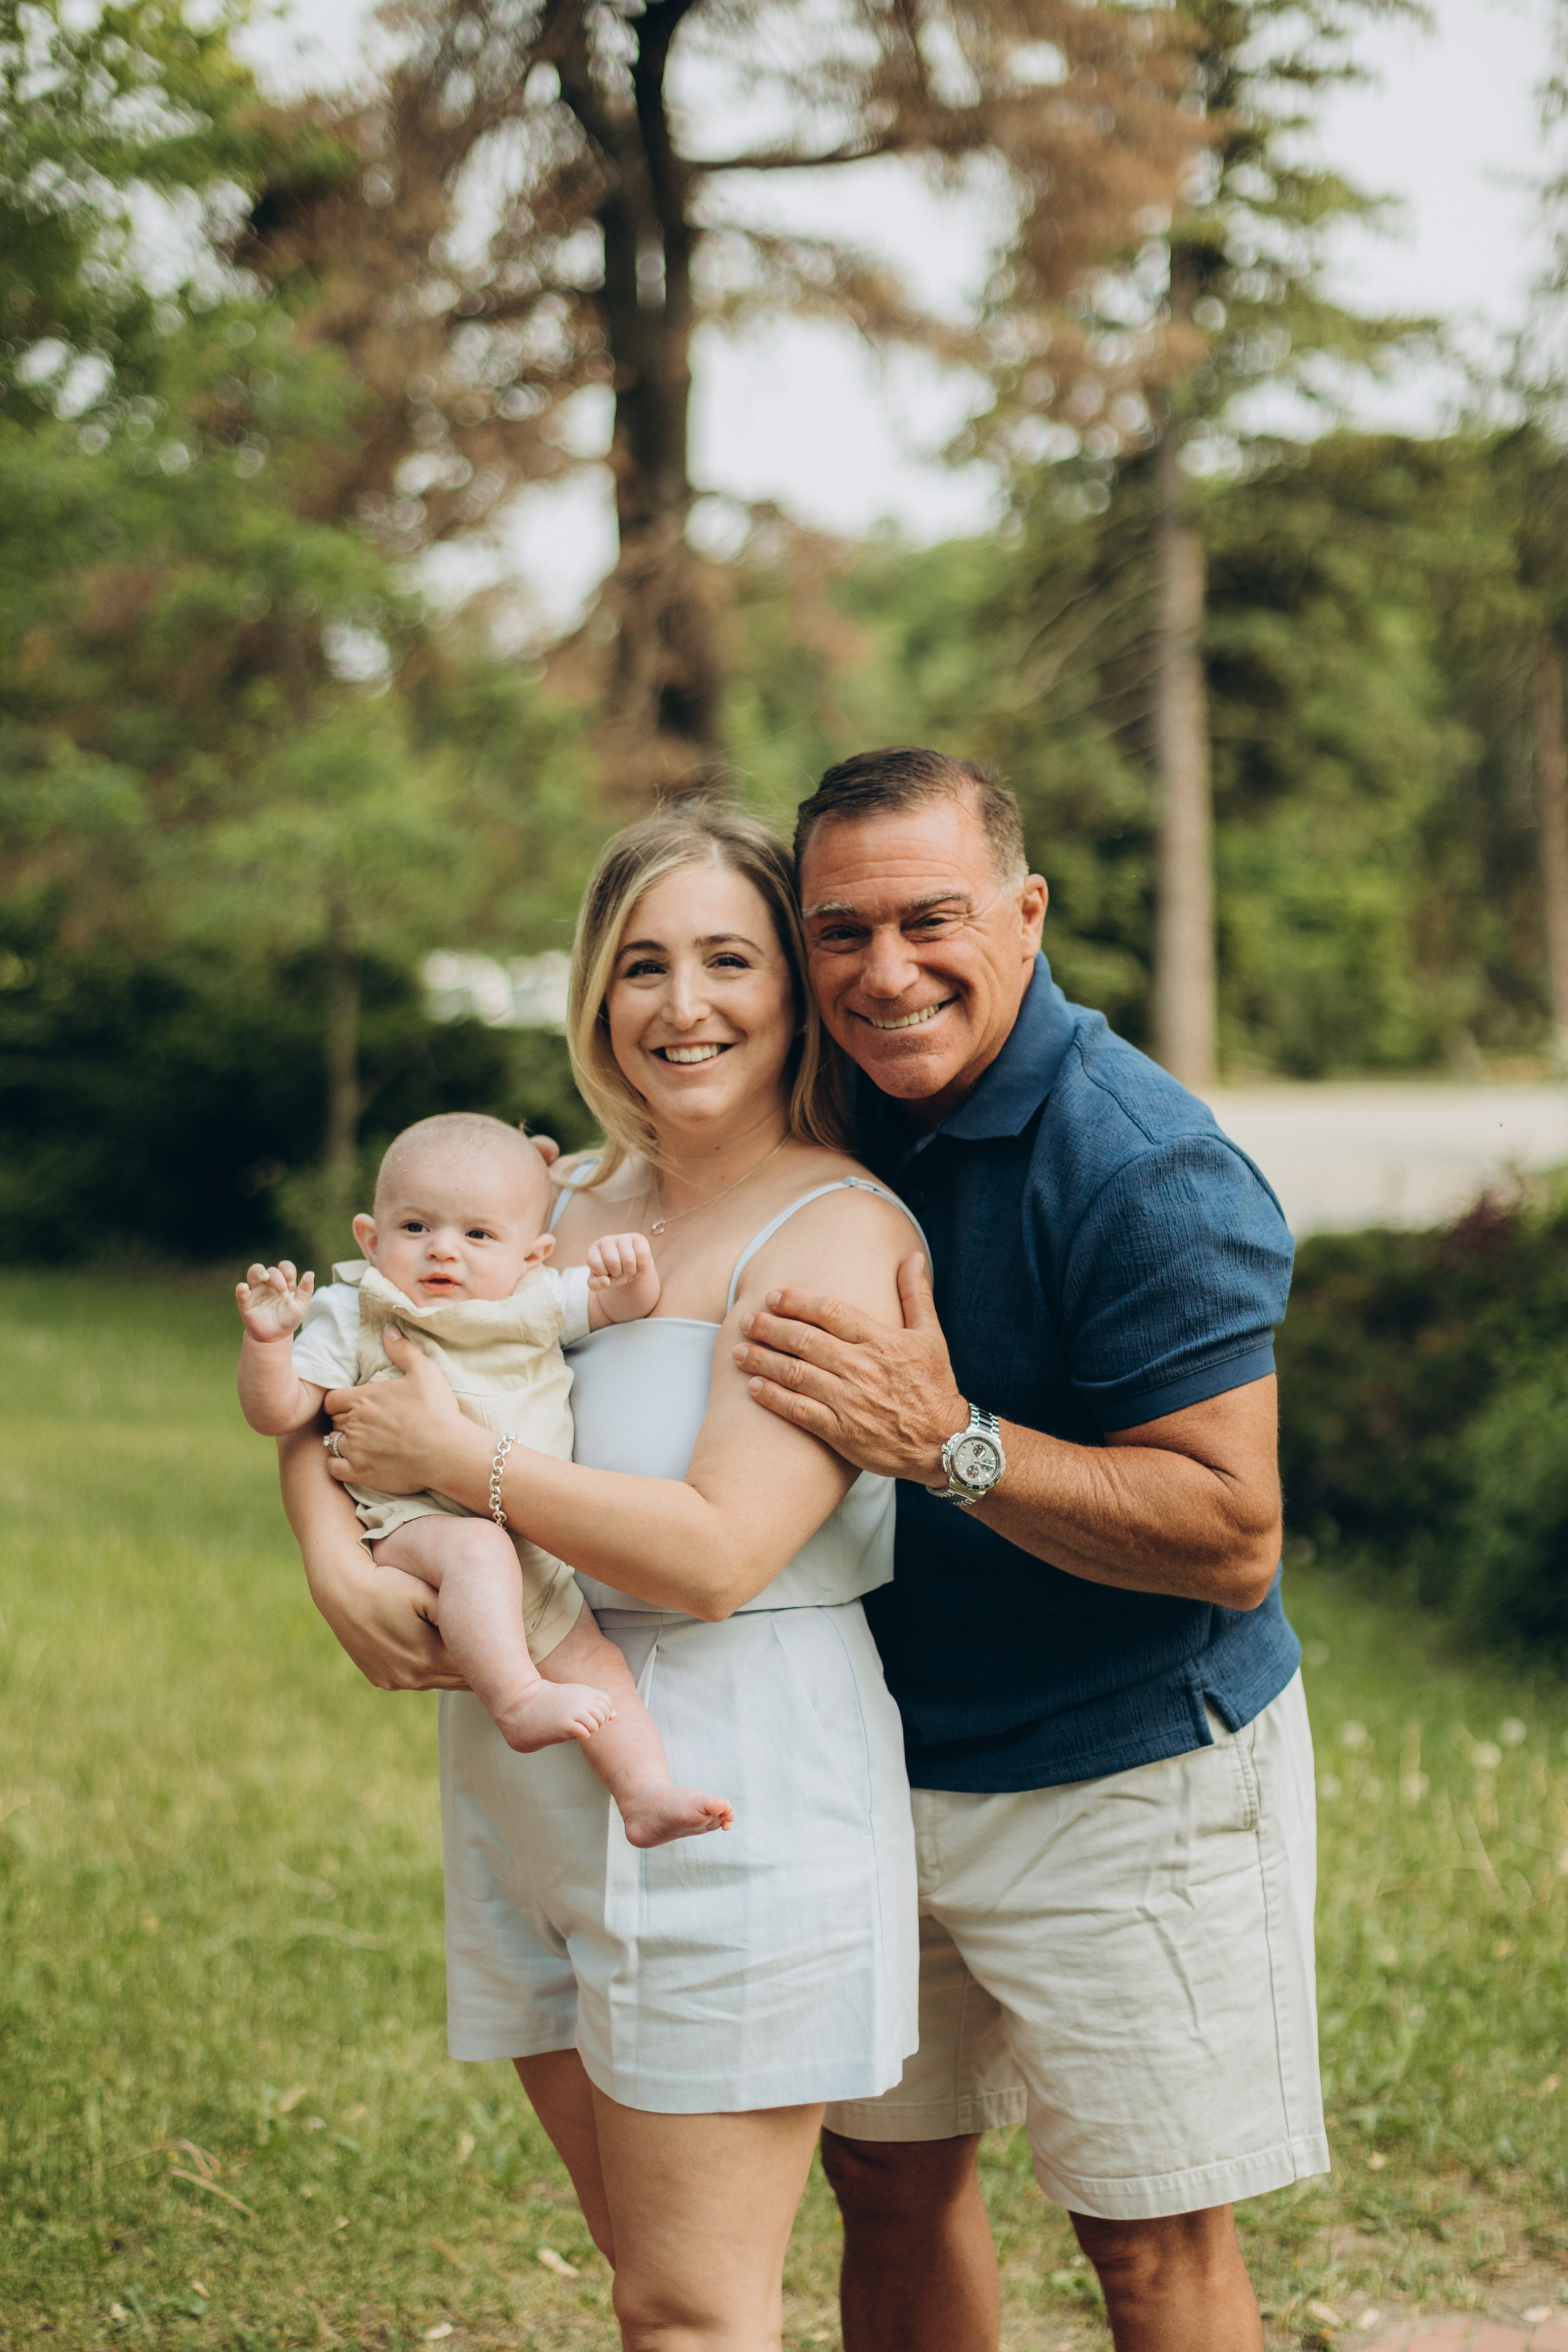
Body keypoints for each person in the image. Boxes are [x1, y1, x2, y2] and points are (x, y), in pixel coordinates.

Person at [276, 804, 924, 2352]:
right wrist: (323, 1554)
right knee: (637, 2267)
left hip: (728, 1769)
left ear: (791, 987)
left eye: (726, 958)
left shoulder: (831, 1230)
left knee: (692, 2306)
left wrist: (463, 1468)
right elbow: (336, 1375)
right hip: (526, 1780)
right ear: (593, 988)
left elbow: (714, 1551)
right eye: (642, 962)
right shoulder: (547, 1203)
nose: (680, 1004)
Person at [732, 746, 1326, 2352]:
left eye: (932, 920)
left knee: (1147, 2245)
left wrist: (949, 1443)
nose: (886, 971)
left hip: (1126, 1779)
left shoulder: (1143, 1169)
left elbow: (1231, 1534)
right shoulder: (811, 1106)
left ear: (1026, 911)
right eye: (839, 932)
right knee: (889, 2181)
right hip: (873, 1770)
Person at [236, 1112, 732, 1849]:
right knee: (476, 1552)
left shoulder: (531, 1300)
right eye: (415, 1228)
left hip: (539, 1550)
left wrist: (632, 1275)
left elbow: (620, 1306)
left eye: (477, 1235)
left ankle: (644, 1792)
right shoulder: (358, 1311)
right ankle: (517, 1699)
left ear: (531, 1254)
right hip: (415, 1530)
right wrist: (269, 1343)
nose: (443, 1249)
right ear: (370, 1240)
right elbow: (281, 1415)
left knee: (597, 1662)